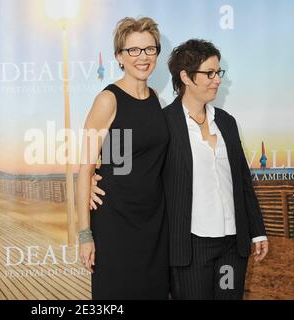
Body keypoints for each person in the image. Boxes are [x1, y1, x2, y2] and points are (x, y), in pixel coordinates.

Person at [90, 39, 269, 300]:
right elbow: (133, 168)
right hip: (191, 249)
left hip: (232, 246)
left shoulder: (227, 122)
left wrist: (257, 231)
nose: (217, 80)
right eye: (209, 73)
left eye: (218, 72)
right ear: (186, 76)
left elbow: (242, 182)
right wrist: (94, 180)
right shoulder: (163, 125)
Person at [76, 17, 170, 300]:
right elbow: (84, 171)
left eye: (149, 49)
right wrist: (84, 234)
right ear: (119, 56)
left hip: (154, 223)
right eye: (133, 50)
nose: (142, 57)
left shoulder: (155, 98)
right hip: (116, 221)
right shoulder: (108, 100)